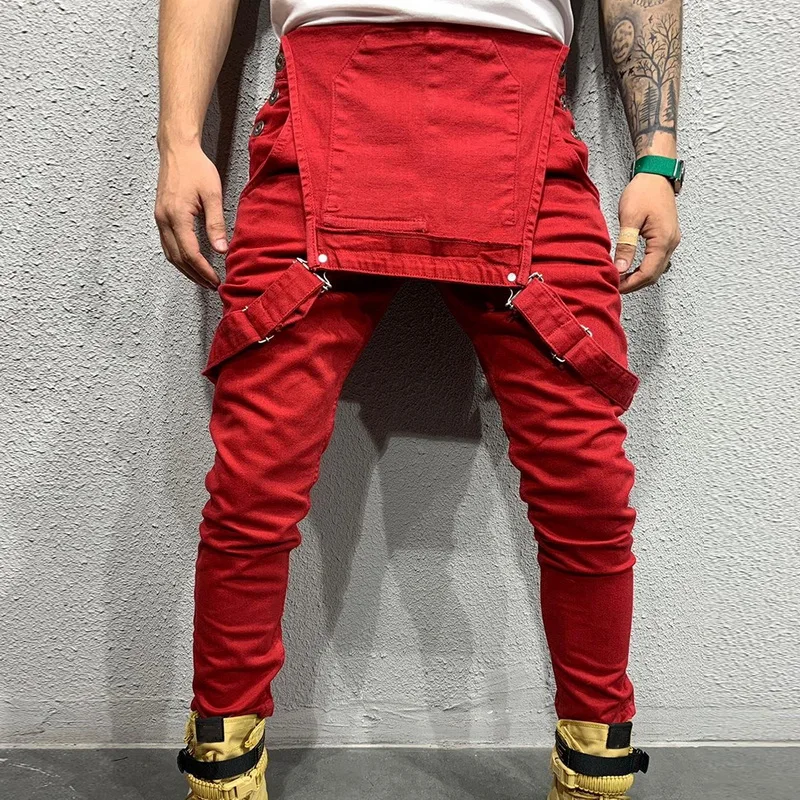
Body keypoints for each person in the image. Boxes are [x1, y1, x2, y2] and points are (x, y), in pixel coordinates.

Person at [155, 0, 683, 796]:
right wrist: (179, 140)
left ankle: (596, 772)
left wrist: (658, 160)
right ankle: (221, 774)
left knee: (588, 484)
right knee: (253, 477)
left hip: (523, 119)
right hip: (321, 109)